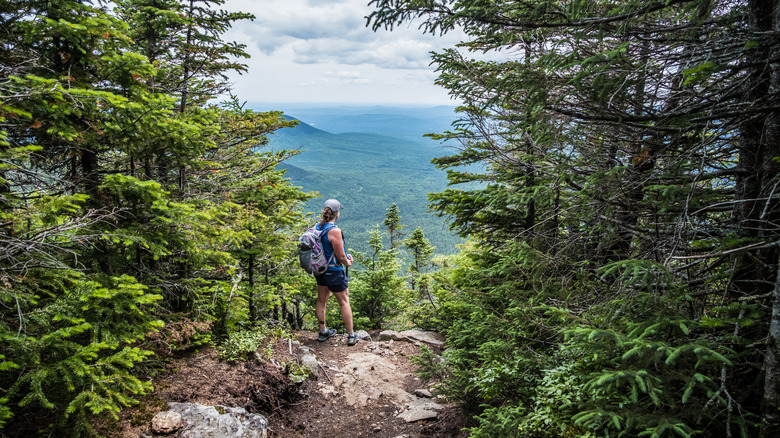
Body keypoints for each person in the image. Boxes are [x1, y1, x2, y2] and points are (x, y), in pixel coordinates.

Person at [314, 199, 358, 346]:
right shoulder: (335, 231)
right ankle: (351, 335)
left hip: (320, 271)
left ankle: (323, 331)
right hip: (334, 271)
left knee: (321, 301)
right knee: (344, 302)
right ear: (336, 213)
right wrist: (348, 261)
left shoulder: (318, 227)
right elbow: (340, 257)